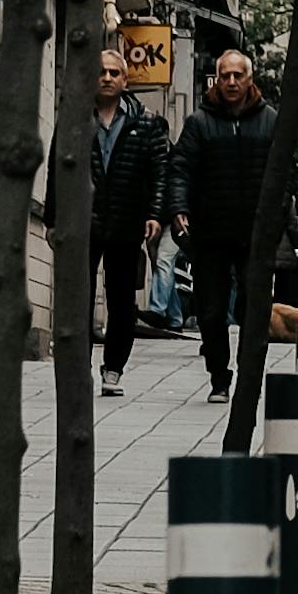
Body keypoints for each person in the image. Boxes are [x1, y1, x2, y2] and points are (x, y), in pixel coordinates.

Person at [172, 44, 274, 397]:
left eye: (238, 75)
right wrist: (178, 208)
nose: (231, 82)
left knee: (252, 306)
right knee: (211, 312)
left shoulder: (270, 121)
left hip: (253, 233)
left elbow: (281, 173)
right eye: (225, 75)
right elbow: (181, 168)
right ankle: (219, 375)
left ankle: (248, 373)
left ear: (250, 78)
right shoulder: (199, 123)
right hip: (211, 232)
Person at [94, 48, 172, 387]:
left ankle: (114, 367)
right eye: (102, 72)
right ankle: (77, 366)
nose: (108, 77)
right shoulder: (76, 119)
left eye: (114, 72)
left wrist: (154, 214)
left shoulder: (147, 122)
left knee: (122, 298)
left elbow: (159, 173)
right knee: (77, 296)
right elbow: (57, 166)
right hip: (85, 218)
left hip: (127, 219)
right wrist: (53, 218)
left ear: (125, 80)